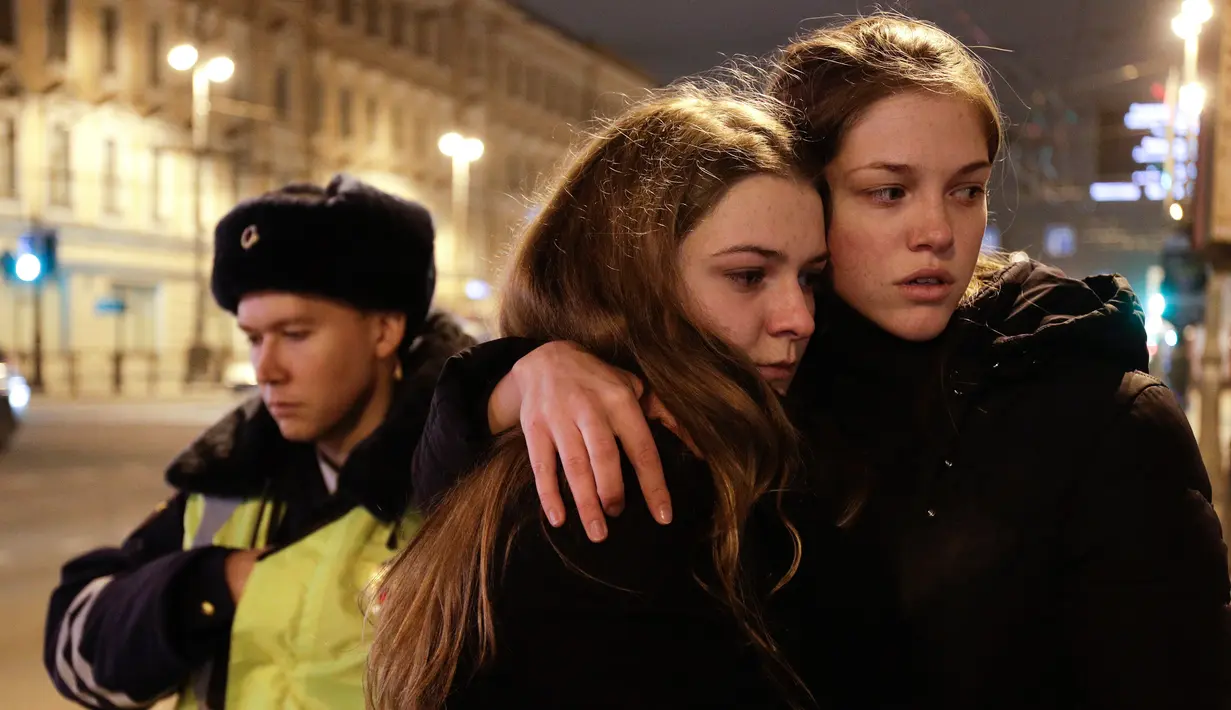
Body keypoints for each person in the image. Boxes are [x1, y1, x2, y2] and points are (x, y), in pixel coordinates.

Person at [410, 15, 1231, 710]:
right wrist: (507, 381)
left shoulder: (1090, 406)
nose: (937, 232)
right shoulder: (747, 388)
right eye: (887, 190)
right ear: (805, 190)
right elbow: (465, 526)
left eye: (966, 189)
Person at [366, 86, 862, 710]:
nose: (800, 317)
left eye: (809, 279)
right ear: (631, 279)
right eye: (747, 276)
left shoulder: (726, 451)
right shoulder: (619, 494)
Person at [43, 175, 473, 710]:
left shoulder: (468, 488)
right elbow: (74, 654)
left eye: (295, 335)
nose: (266, 369)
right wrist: (216, 583)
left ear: (383, 331)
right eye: (253, 339)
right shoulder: (231, 480)